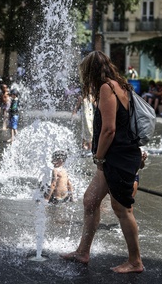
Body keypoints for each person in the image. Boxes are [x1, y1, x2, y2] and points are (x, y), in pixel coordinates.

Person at [61, 51, 144, 274]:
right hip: (116, 157)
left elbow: (109, 129)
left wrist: (98, 156)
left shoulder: (107, 89)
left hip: (117, 157)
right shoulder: (119, 86)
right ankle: (82, 252)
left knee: (122, 208)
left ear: (90, 72)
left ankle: (135, 261)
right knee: (90, 201)